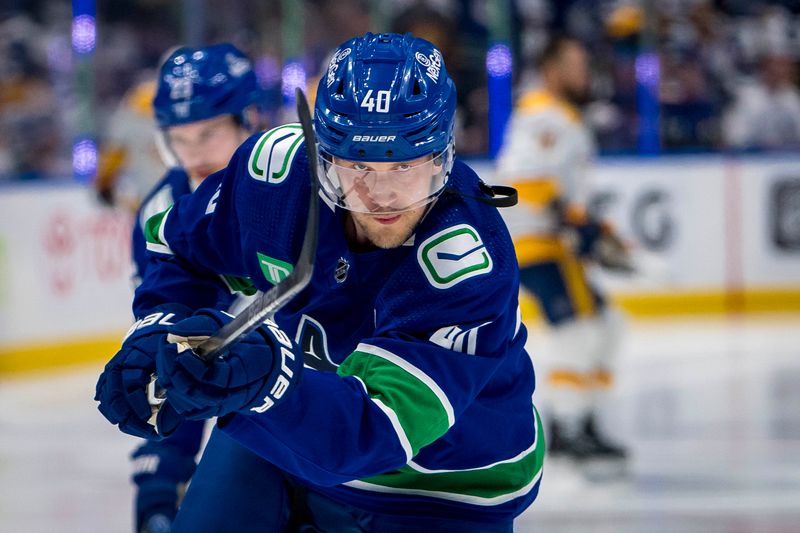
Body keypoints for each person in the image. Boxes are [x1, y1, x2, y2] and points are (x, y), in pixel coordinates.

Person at [95, 32, 542, 532]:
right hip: (285, 431)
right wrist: (162, 330)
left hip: (444, 485)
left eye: (406, 166)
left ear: (443, 155)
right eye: (358, 167)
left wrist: (266, 380)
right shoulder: (277, 176)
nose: (382, 196)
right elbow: (180, 249)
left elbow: (371, 431)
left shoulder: (466, 263)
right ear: (324, 155)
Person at [127, 43, 266, 533]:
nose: (194, 154)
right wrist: (162, 472)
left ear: (247, 119)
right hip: (259, 400)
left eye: (208, 133)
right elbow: (177, 349)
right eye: (179, 139)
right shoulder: (159, 215)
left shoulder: (303, 186)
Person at [495, 35, 629, 466]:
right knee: (581, 330)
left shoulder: (563, 116)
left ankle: (580, 419)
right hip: (536, 243)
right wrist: (573, 220)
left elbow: (566, 193)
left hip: (552, 243)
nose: (584, 74)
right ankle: (569, 426)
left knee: (606, 323)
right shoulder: (543, 115)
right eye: (575, 64)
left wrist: (596, 229)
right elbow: (523, 178)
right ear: (553, 69)